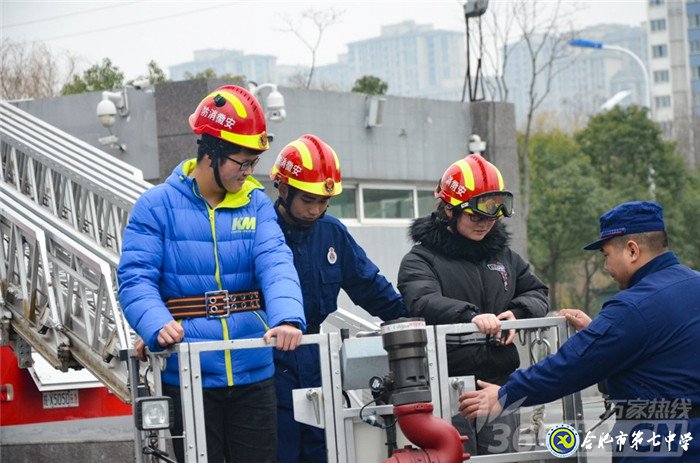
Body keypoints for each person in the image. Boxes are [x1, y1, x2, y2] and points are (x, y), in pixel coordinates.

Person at [118, 84, 306, 463]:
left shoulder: (256, 204)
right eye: (243, 162)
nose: (250, 172)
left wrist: (287, 317)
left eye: (254, 163)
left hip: (254, 370)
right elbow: (136, 277)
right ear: (211, 152)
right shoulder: (156, 206)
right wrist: (156, 324)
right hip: (188, 373)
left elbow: (276, 260)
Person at [459, 201, 700, 462]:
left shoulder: (632, 307)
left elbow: (571, 365)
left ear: (632, 250)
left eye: (606, 255)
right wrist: (602, 330)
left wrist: (507, 393)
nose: (606, 267)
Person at [397, 153, 550, 456]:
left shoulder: (504, 257)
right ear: (449, 211)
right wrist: (471, 316)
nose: (484, 226)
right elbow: (422, 300)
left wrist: (517, 312)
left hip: (499, 385)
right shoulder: (421, 260)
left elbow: (538, 292)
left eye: (492, 218)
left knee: (505, 459)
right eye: (476, 217)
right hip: (449, 387)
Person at [269, 134, 407, 463]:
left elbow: (369, 286)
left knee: (323, 446)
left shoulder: (332, 233)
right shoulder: (260, 230)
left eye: (324, 201)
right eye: (308, 200)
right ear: (283, 189)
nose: (316, 209)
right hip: (269, 359)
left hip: (316, 356)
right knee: (280, 448)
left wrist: (412, 319)